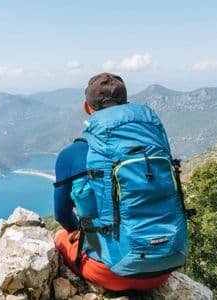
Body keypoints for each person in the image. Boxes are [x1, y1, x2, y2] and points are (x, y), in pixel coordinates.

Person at [54, 73, 171, 291]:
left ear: (87, 108)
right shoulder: (150, 145)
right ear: (126, 105)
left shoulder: (72, 154)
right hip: (164, 265)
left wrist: (83, 232)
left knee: (61, 236)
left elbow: (61, 214)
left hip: (113, 272)